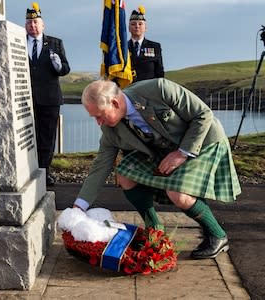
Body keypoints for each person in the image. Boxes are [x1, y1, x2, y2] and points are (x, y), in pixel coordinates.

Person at [73, 78, 242, 259]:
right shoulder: (110, 129)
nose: (99, 122)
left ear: (114, 102)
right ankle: (154, 228)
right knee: (124, 174)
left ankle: (217, 235)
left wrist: (182, 153)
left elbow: (203, 114)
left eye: (100, 115)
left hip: (202, 142)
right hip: (164, 151)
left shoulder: (159, 89)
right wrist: (79, 207)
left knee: (178, 194)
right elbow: (101, 165)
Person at [26, 2, 70, 186]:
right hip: (25, 99)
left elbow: (65, 69)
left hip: (49, 99)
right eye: (29, 22)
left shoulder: (54, 43)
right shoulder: (18, 41)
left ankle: (45, 171)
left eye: (36, 22)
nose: (33, 26)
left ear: (43, 25)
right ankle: (28, 171)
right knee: (29, 137)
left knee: (47, 137)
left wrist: (58, 65)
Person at [128, 5, 164, 82]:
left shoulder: (155, 47)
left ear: (146, 27)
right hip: (128, 90)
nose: (137, 26)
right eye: (133, 24)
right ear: (129, 28)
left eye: (140, 24)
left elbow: (159, 72)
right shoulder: (123, 47)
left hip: (148, 90)